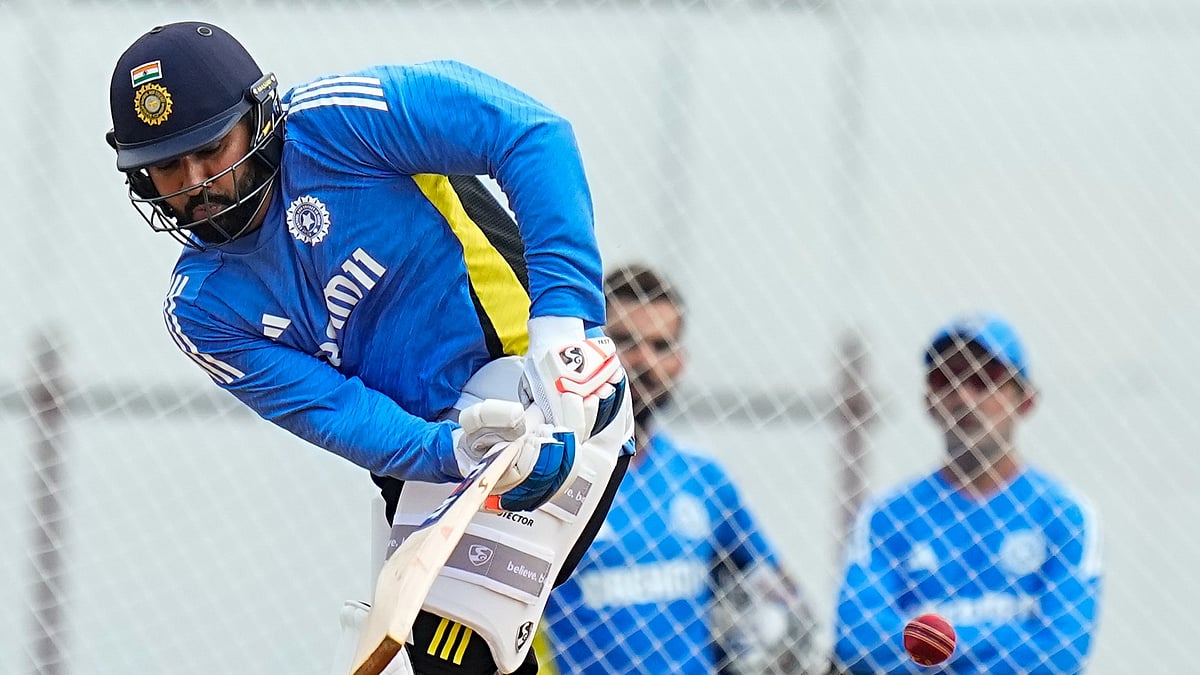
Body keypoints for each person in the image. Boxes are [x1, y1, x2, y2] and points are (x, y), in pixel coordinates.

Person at [105, 21, 635, 675]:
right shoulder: (201, 309)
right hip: (429, 455)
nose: (197, 183)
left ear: (258, 114)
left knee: (457, 653)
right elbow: (337, 411)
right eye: (166, 167)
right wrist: (449, 452)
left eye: (212, 149)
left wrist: (563, 323)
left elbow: (530, 134)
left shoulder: (344, 118)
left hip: (539, 381)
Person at [536, 263, 819, 674]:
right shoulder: (548, 474)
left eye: (660, 346)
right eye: (625, 341)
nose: (642, 362)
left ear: (681, 361)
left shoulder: (704, 478)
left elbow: (778, 594)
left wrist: (763, 641)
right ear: (589, 351)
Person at [832, 314, 1103, 674]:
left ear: (1025, 400)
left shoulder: (1064, 514)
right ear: (929, 401)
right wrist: (1006, 637)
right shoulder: (888, 515)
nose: (963, 397)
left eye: (984, 380)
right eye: (946, 379)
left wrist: (933, 643)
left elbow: (1061, 654)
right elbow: (858, 642)